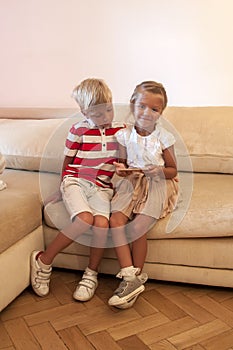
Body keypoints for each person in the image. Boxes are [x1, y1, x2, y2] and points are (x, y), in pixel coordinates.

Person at [30, 78, 124, 302]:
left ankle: (91, 274)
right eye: (98, 114)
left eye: (109, 110)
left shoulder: (120, 130)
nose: (106, 118)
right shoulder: (77, 130)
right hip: (76, 181)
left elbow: (122, 160)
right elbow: (68, 162)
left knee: (102, 224)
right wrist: (63, 188)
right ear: (84, 112)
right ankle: (43, 260)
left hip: (102, 187)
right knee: (84, 219)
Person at [108, 81, 179, 309]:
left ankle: (133, 278)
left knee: (138, 227)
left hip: (158, 182)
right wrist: (120, 168)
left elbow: (172, 170)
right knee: (116, 220)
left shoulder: (164, 137)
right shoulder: (124, 135)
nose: (147, 113)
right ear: (132, 105)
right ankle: (131, 277)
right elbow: (121, 162)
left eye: (154, 109)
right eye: (142, 106)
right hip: (133, 181)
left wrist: (158, 171)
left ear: (161, 113)